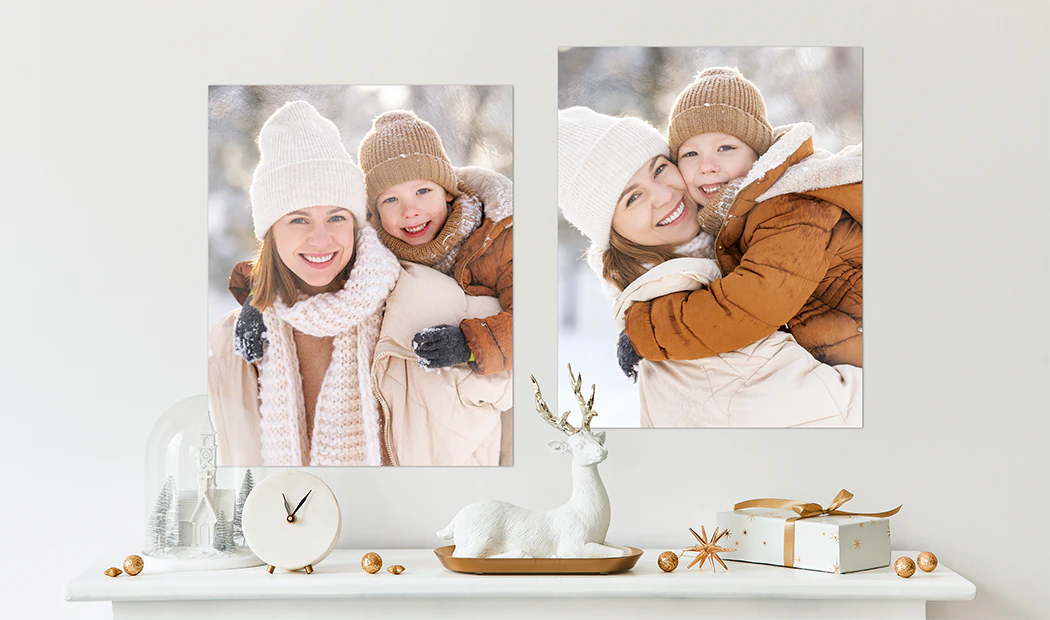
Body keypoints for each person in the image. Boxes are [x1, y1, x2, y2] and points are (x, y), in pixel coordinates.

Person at [558, 106, 860, 427]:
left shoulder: (737, 239)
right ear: (612, 231)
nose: (663, 196)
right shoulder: (674, 306)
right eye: (633, 198)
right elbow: (832, 414)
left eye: (659, 169)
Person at [623, 67, 863, 370]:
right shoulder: (734, 218)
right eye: (690, 154)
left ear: (759, 155)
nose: (707, 165)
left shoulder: (791, 207)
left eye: (726, 148)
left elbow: (748, 306)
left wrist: (645, 331)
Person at [208, 100, 400, 466]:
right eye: (298, 220)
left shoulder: (406, 304)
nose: (321, 239)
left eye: (336, 217)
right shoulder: (229, 344)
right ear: (271, 232)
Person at [356, 110, 514, 465]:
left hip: (487, 396)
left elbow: (532, 321)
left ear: (447, 192)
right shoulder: (371, 249)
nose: (410, 210)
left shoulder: (497, 236)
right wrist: (258, 300)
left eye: (422, 191)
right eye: (390, 200)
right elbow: (312, 264)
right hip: (412, 409)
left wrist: (470, 344)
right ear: (375, 212)